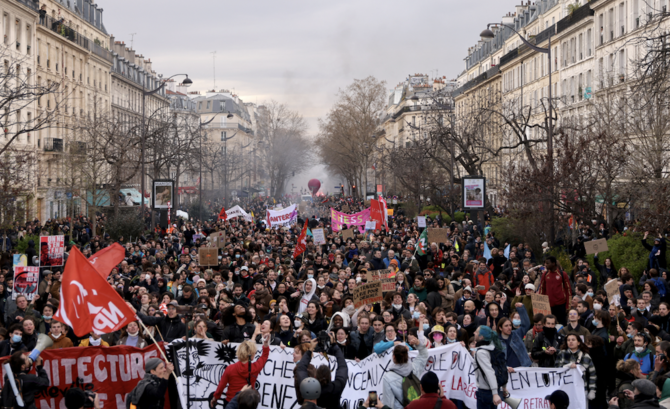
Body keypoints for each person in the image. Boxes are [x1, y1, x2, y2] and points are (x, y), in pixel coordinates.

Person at [212, 336, 271, 407]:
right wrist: (265, 344)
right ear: (251, 355)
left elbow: (221, 386)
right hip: (247, 404)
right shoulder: (256, 368)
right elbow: (264, 356)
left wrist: (215, 397)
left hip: (231, 402)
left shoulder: (230, 368)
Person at [296, 337, 348, 409]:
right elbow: (343, 367)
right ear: (330, 378)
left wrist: (310, 350)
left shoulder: (307, 386)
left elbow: (301, 369)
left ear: (315, 377)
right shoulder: (337, 387)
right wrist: (334, 346)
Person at [382, 332, 429, 409]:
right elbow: (424, 355)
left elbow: (388, 402)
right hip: (416, 406)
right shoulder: (414, 367)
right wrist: (418, 343)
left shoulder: (387, 377)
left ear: (393, 356)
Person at [554, 333, 597, 403]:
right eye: (568, 340)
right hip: (565, 388)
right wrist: (567, 366)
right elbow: (556, 369)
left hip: (581, 390)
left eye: (573, 340)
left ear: (579, 342)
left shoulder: (585, 356)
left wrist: (592, 390)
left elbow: (593, 374)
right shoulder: (562, 354)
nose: (570, 341)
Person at [473, 325, 505, 408]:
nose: (474, 333)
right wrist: (503, 388)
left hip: (486, 392)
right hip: (495, 390)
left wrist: (494, 393)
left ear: (481, 337)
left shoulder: (481, 353)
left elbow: (489, 372)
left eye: (476, 332)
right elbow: (502, 369)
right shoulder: (493, 349)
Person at [498, 303, 532, 369]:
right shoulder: (496, 341)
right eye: (506, 326)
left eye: (510, 325)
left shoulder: (516, 334)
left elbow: (526, 325)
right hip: (508, 371)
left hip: (523, 367)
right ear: (500, 328)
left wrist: (521, 309)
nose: (509, 328)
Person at [539, 256, 572, 325]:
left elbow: (568, 290)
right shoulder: (545, 274)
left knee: (562, 324)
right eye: (545, 263)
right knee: (549, 324)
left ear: (553, 263)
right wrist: (542, 304)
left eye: (547, 263)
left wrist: (568, 306)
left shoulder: (563, 274)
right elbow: (542, 289)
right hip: (549, 305)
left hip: (561, 305)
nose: (545, 265)